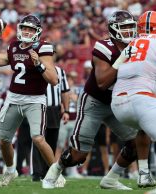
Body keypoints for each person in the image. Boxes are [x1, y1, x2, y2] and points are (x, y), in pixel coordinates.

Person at [42, 10, 153, 190]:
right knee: (78, 156)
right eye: (124, 28)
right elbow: (102, 83)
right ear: (113, 30)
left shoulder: (140, 45)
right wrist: (123, 57)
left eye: (131, 27)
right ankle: (56, 168)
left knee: (137, 140)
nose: (128, 32)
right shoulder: (104, 47)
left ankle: (111, 179)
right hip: (95, 102)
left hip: (119, 102)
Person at [0, 14, 58, 186]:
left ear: (37, 32)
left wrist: (38, 64)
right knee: (4, 140)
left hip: (35, 100)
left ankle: (55, 173)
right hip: (14, 98)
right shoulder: (14, 47)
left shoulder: (44, 48)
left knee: (38, 138)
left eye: (30, 29)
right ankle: (10, 171)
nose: (27, 31)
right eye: (24, 28)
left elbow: (53, 79)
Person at [109, 11, 156, 193]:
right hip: (141, 99)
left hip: (118, 104)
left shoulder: (132, 43)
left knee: (142, 132)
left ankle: (113, 177)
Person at [31, 60, 70, 181]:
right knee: (39, 140)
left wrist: (67, 110)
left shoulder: (60, 71)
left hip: (54, 109)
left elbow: (64, 91)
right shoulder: (35, 69)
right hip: (39, 107)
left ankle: (48, 171)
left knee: (52, 140)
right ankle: (37, 173)